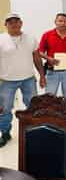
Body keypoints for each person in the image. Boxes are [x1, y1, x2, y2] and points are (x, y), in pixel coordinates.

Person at [0, 13, 46, 148]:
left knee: (33, 106)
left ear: (21, 23)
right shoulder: (1, 39)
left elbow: (37, 58)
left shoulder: (30, 38)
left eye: (16, 21)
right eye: (10, 22)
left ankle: (34, 131)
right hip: (6, 80)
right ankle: (5, 132)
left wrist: (42, 76)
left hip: (28, 79)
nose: (14, 24)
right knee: (4, 108)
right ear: (6, 25)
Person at [39, 13, 66, 108]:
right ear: (55, 22)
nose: (62, 23)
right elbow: (40, 52)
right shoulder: (47, 35)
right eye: (60, 21)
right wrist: (48, 58)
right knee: (49, 96)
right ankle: (49, 116)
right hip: (52, 71)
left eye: (65, 21)